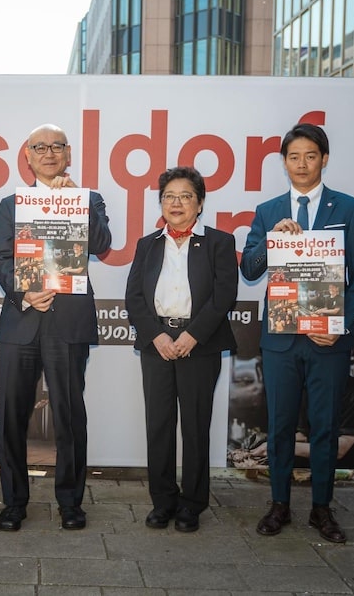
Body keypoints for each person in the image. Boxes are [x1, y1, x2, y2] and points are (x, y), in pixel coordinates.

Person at [240, 123, 354, 544]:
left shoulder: (349, 209)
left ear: (324, 159)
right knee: (279, 426)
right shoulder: (268, 211)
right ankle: (279, 504)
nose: (301, 164)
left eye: (310, 156)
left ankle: (321, 508)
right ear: (283, 162)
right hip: (281, 340)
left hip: (327, 341)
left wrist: (341, 326)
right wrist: (271, 241)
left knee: (324, 427)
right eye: (293, 156)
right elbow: (250, 270)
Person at [0, 123, 112, 531]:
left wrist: (74, 204)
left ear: (69, 154)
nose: (48, 153)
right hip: (22, 319)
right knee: (10, 416)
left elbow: (101, 244)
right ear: (27, 155)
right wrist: (25, 293)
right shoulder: (11, 204)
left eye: (56, 146)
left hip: (68, 323)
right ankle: (13, 502)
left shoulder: (88, 198)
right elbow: (0, 259)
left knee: (68, 416)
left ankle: (70, 503)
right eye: (39, 147)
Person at [124, 166, 238, 532]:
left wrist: (193, 336)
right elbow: (135, 297)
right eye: (169, 196)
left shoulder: (219, 242)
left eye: (186, 196)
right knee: (158, 426)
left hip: (199, 347)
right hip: (156, 344)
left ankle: (192, 504)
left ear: (200, 203)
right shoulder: (148, 244)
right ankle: (163, 501)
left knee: (195, 426)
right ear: (160, 203)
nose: (176, 203)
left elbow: (224, 297)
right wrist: (156, 336)